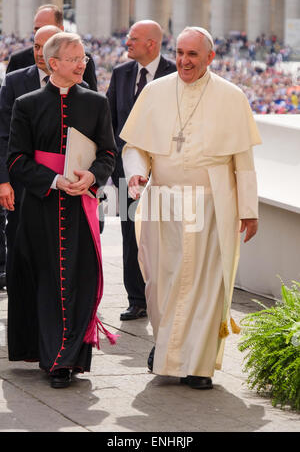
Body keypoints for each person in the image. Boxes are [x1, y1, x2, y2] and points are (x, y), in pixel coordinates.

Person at [120, 27, 262, 389]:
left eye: (193, 55)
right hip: (164, 201)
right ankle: (166, 347)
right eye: (180, 52)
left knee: (205, 284)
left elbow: (242, 161)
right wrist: (136, 175)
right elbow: (135, 147)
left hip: (212, 204)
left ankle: (198, 365)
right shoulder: (155, 91)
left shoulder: (231, 97)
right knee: (160, 282)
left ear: (210, 57)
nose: (184, 60)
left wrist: (249, 209)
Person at [7, 32, 117, 388]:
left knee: (78, 279)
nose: (82, 63)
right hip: (40, 207)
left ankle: (69, 359)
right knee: (47, 282)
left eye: (83, 57)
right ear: (53, 63)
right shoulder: (26, 104)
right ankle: (52, 356)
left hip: (81, 206)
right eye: (74, 59)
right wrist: (55, 181)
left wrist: (92, 176)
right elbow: (17, 160)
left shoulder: (97, 103)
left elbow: (109, 154)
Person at [107, 20, 176, 321]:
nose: (127, 43)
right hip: (126, 173)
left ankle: (164, 295)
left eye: (133, 38)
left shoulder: (176, 73)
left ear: (152, 43)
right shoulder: (121, 73)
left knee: (165, 235)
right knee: (129, 235)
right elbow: (109, 120)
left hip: (165, 173)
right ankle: (136, 299)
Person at [0, 25, 63, 285]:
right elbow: (2, 134)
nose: (39, 52)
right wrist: (3, 181)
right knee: (19, 248)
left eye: (46, 46)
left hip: (61, 183)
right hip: (20, 183)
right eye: (36, 46)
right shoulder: (15, 81)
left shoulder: (76, 83)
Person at [6, 4, 98, 91]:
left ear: (61, 30)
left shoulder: (81, 60)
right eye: (37, 28)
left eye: (46, 27)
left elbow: (92, 100)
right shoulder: (18, 61)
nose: (41, 32)